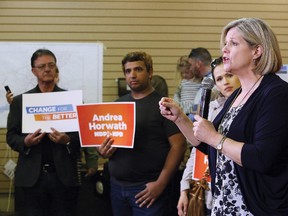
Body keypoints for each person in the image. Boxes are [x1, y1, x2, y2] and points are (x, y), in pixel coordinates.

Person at [159, 17, 288, 215]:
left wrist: (214, 137)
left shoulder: (275, 93)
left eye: (234, 43)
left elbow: (262, 157)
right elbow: (207, 145)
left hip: (255, 207)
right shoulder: (237, 95)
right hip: (225, 203)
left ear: (257, 51)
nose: (225, 50)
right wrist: (179, 118)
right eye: (225, 44)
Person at [97, 51, 187, 216]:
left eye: (138, 69)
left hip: (149, 189)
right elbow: (107, 142)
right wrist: (102, 151)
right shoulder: (118, 105)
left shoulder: (163, 104)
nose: (132, 75)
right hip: (117, 187)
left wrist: (160, 184)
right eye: (128, 71)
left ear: (150, 72)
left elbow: (179, 146)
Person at [6, 48, 81, 216]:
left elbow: (81, 138)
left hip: (63, 178)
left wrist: (67, 140)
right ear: (34, 71)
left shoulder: (72, 100)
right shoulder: (20, 102)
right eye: (41, 66)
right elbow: (11, 137)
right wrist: (26, 142)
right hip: (33, 179)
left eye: (51, 65)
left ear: (55, 68)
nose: (47, 69)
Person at [177, 56, 241, 216]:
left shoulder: (253, 106)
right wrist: (184, 187)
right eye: (219, 79)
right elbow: (197, 150)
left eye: (229, 75)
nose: (225, 82)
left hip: (242, 190)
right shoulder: (212, 109)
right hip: (213, 191)